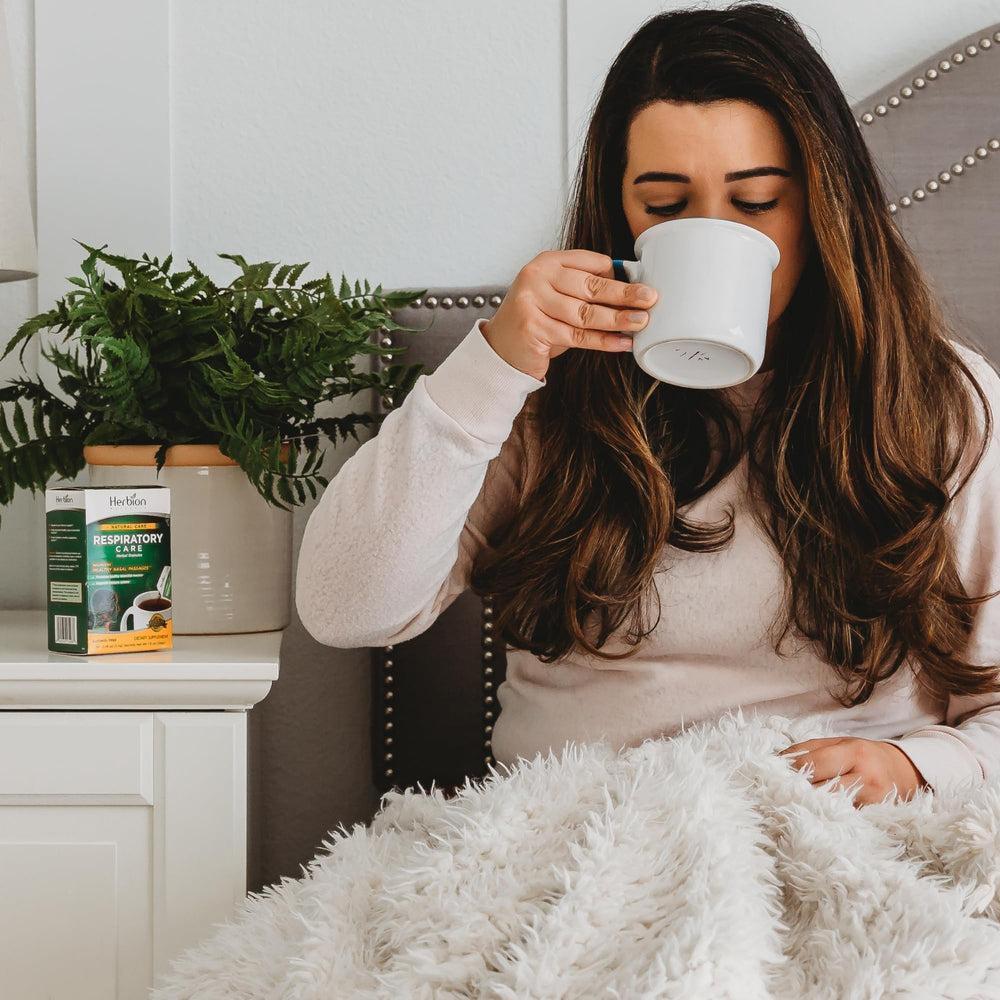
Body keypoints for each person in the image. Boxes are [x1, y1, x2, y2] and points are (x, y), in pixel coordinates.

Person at [296, 3, 1000, 806]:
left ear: (823, 208)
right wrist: (493, 365)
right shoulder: (543, 391)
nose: (711, 234)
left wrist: (913, 769)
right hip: (581, 835)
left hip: (832, 830)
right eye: (664, 206)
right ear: (619, 215)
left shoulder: (941, 404)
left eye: (756, 201)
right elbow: (346, 609)